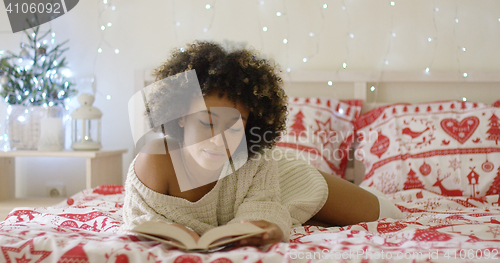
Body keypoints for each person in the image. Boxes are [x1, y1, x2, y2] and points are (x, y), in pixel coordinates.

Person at [121, 41, 402, 247]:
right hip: (247, 197)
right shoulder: (155, 159)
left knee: (384, 215)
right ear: (180, 117)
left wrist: (268, 227)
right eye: (207, 123)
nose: (219, 140)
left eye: (234, 125)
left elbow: (263, 210)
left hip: (287, 180)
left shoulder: (256, 158)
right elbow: (138, 218)